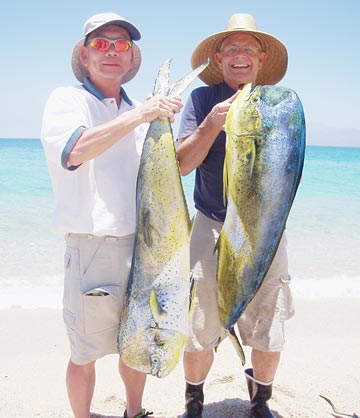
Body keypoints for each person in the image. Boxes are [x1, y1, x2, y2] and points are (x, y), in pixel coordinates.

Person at [41, 12, 182, 418]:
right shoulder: (67, 100)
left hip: (146, 248)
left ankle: (133, 412)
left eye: (120, 44)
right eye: (100, 44)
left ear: (131, 56)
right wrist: (141, 116)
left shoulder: (140, 109)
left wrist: (199, 124)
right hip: (93, 245)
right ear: (85, 56)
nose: (111, 52)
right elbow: (75, 150)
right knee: (85, 351)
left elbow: (165, 173)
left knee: (138, 340)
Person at [176, 14, 294, 418]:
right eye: (231, 49)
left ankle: (260, 401)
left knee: (268, 322)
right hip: (210, 225)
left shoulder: (276, 106)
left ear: (261, 59)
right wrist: (212, 124)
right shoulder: (201, 101)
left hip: (266, 231)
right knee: (199, 324)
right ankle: (194, 401)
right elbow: (182, 165)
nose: (239, 56)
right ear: (219, 58)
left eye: (248, 49)